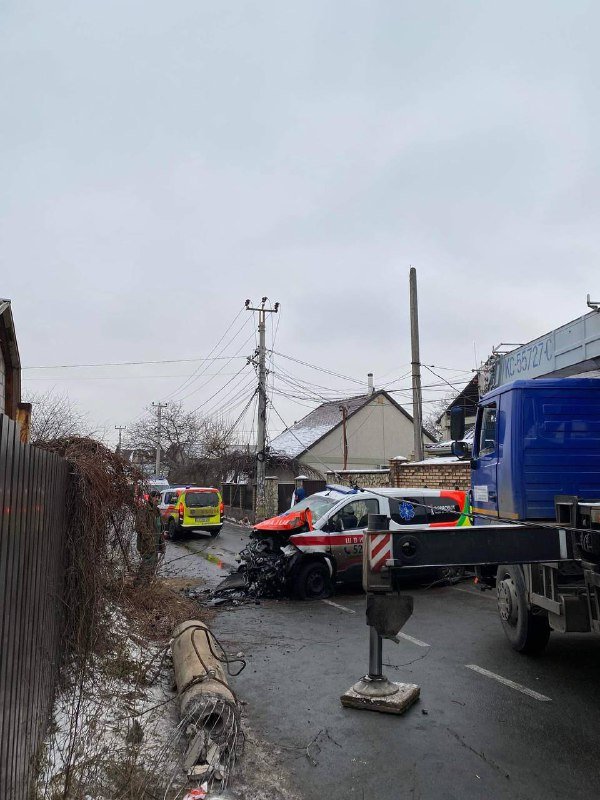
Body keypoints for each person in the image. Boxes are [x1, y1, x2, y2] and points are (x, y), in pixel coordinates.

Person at [134, 490, 164, 585]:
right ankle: (139, 585)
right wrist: (149, 540)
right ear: (150, 497)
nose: (157, 499)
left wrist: (162, 544)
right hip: (146, 544)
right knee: (146, 565)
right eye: (156, 497)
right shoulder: (144, 509)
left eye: (159, 497)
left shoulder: (157, 511)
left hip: (155, 545)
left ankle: (146, 585)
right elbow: (140, 527)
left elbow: (160, 529)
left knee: (152, 566)